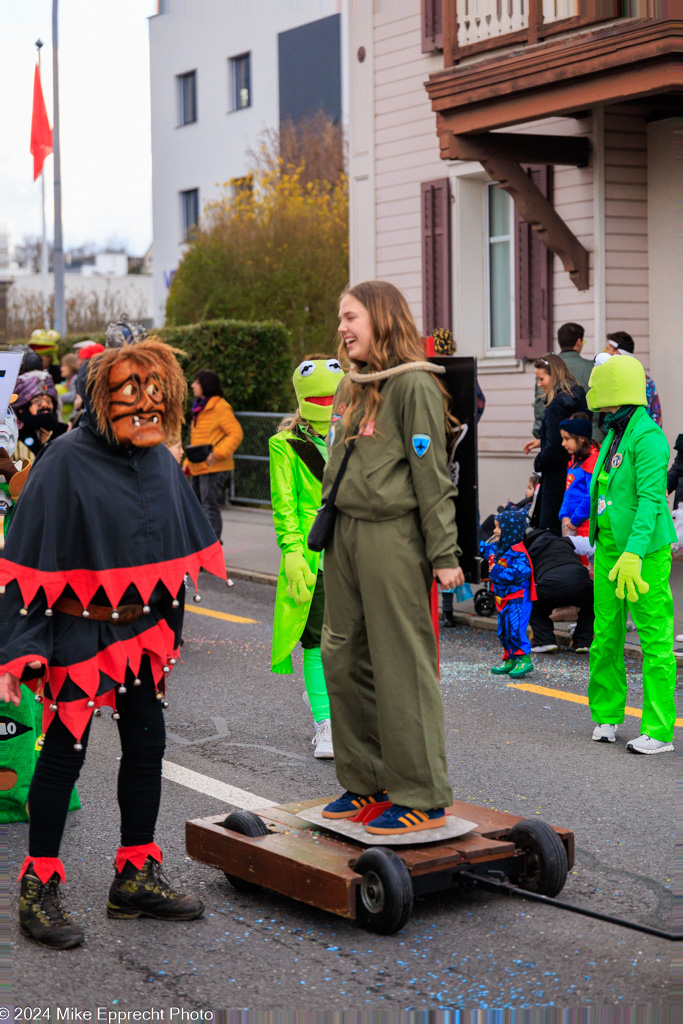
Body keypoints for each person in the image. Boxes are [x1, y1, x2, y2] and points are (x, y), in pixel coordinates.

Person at [0, 338, 227, 949]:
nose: (147, 408)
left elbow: (176, 555)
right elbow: (24, 562)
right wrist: (22, 646)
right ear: (104, 398)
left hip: (140, 630)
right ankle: (38, 887)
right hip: (77, 628)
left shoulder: (157, 461)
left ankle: (133, 877)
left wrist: (167, 634)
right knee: (64, 754)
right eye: (134, 396)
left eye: (158, 397)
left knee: (147, 743)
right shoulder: (65, 460)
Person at [319, 280, 462, 837]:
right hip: (345, 535)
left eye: (350, 316)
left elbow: (432, 477)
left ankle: (421, 794)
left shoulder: (414, 385)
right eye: (340, 317)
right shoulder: (353, 385)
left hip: (392, 537)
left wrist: (444, 553)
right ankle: (367, 782)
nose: (342, 327)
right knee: (342, 656)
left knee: (400, 663)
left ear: (380, 318)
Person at [585, 354, 676, 753]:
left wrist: (634, 553)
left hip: (643, 556)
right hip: (608, 551)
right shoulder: (615, 432)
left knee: (655, 641)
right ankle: (606, 715)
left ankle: (659, 730)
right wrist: (599, 543)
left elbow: (651, 502)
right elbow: (606, 488)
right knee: (605, 637)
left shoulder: (649, 438)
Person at [269, 355, 344, 760]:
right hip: (313, 556)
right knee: (316, 642)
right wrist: (294, 553)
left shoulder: (354, 435)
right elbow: (284, 506)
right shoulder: (284, 445)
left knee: (351, 640)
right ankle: (325, 723)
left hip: (354, 553)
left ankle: (343, 711)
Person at [523, 355, 587, 533]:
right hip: (577, 474)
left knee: (550, 534)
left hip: (555, 481)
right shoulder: (576, 398)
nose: (539, 384)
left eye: (541, 379)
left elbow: (554, 450)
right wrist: (542, 440)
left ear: (555, 376)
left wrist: (538, 462)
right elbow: (566, 437)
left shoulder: (555, 407)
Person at [183, 370, 243, 542]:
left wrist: (217, 454)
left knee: (209, 508)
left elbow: (236, 433)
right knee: (196, 508)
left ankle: (211, 548)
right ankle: (201, 548)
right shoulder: (200, 407)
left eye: (197, 382)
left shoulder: (220, 407)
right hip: (198, 467)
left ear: (206, 385)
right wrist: (188, 461)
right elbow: (199, 439)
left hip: (213, 467)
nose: (193, 385)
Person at [480, 510, 535, 677]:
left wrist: (496, 570)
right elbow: (483, 548)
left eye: (498, 528)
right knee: (503, 630)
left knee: (515, 629)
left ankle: (523, 659)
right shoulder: (498, 548)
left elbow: (518, 574)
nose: (495, 531)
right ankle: (510, 658)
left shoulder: (519, 552)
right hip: (501, 598)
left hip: (517, 598)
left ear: (510, 530)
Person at [525, 527, 594, 654]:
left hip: (549, 586)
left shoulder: (527, 552)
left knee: (534, 607)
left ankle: (545, 641)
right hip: (579, 581)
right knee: (590, 606)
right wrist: (592, 564)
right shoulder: (564, 541)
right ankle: (584, 642)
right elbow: (592, 546)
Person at [532, 323, 598, 440]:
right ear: (579, 342)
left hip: (553, 436)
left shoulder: (547, 367)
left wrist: (540, 434)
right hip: (590, 435)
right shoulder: (592, 368)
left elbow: (540, 404)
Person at [558, 413, 599, 551]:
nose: (563, 443)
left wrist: (574, 521)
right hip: (571, 525)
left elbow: (591, 495)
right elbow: (567, 491)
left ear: (581, 439)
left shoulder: (591, 462)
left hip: (585, 528)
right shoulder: (574, 461)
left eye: (567, 439)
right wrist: (564, 515)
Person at [604, 331, 662, 427]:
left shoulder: (614, 382)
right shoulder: (647, 381)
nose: (605, 352)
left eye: (607, 349)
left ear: (617, 353)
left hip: (637, 438)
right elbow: (657, 416)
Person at [12, 370, 68, 460]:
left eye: (48, 400)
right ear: (21, 409)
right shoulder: (12, 438)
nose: (44, 405)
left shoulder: (64, 433)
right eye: (37, 401)